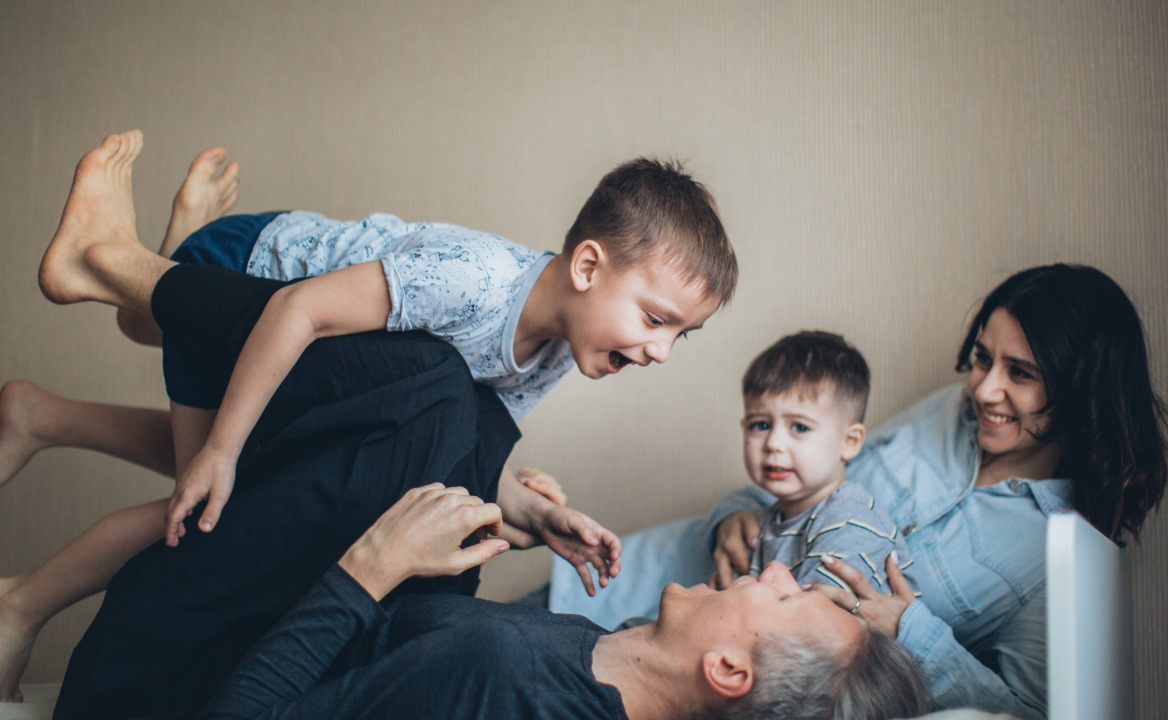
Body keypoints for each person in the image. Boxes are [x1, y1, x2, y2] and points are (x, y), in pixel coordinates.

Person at [1, 128, 736, 699]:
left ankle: (45, 411)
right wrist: (221, 449)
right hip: (253, 272)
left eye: (679, 335)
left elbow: (465, 449)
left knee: (200, 424)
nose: (660, 351)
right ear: (585, 268)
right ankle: (132, 259)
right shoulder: (476, 282)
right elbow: (296, 311)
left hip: (300, 354)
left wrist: (537, 516)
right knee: (202, 505)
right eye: (653, 319)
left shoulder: (548, 351)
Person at [707, 264, 1168, 719]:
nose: (983, 390)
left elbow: (1028, 714)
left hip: (761, 654)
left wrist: (912, 632)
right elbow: (818, 458)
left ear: (1080, 392)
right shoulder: (946, 410)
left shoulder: (1057, 551)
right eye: (983, 358)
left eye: (1020, 373)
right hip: (724, 573)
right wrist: (735, 511)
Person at [198, 482, 933, 720]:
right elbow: (403, 663)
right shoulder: (615, 656)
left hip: (220, 655)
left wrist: (370, 566)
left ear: (730, 672)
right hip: (284, 611)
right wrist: (503, 530)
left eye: (785, 598)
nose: (775, 571)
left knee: (434, 388)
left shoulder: (508, 678)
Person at [734, 331, 915, 593]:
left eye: (799, 427)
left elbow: (816, 624)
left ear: (849, 442)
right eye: (760, 425)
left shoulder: (849, 521)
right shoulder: (766, 523)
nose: (773, 443)